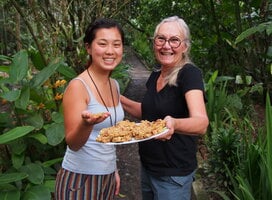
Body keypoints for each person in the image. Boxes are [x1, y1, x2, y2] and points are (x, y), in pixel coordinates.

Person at [120, 16, 209, 200]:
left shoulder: (189, 74)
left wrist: (174, 123)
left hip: (172, 176)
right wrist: (116, 97)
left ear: (185, 46)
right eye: (160, 39)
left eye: (174, 40)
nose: (166, 46)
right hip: (147, 167)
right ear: (154, 43)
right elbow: (147, 112)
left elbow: (201, 123)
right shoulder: (155, 76)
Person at [55, 18, 125, 200]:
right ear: (88, 47)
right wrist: (86, 125)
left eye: (116, 44)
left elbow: (109, 136)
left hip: (107, 176)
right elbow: (73, 143)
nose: (110, 51)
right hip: (80, 178)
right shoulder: (78, 86)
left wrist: (113, 169)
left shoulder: (114, 85)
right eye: (102, 44)